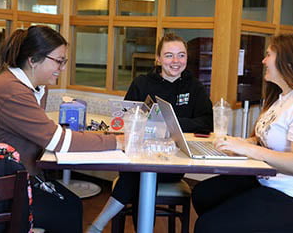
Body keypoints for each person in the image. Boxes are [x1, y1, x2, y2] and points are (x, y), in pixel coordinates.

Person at [0, 25, 123, 233]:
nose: (63, 67)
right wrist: (116, 141)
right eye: (59, 60)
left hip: (6, 178)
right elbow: (57, 141)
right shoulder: (12, 91)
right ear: (33, 60)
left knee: (69, 204)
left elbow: (46, 134)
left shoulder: (31, 88)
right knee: (68, 208)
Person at [191, 33, 293, 232]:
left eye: (268, 55)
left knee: (209, 226)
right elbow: (268, 139)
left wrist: (248, 150)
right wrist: (244, 143)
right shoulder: (284, 97)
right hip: (272, 183)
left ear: (287, 61)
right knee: (204, 194)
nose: (263, 61)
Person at [88, 33, 213, 233]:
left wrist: (170, 124)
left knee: (137, 176)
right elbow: (127, 117)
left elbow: (207, 123)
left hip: (173, 162)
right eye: (169, 55)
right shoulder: (142, 83)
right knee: (139, 173)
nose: (176, 61)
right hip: (139, 154)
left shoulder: (194, 86)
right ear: (158, 58)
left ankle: (98, 224)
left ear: (187, 58)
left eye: (181, 55)